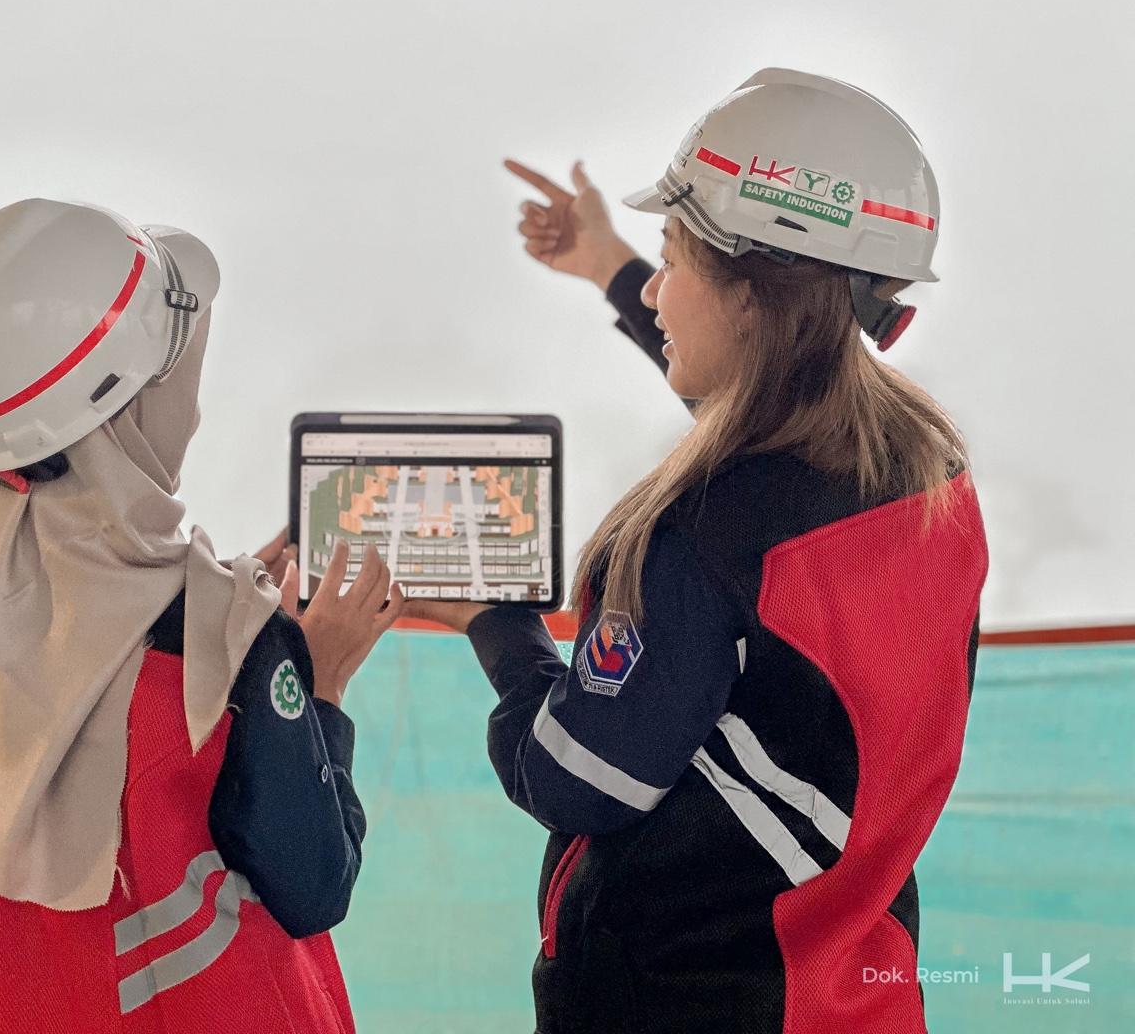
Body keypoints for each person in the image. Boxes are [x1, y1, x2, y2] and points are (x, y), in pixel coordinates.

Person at [405, 68, 989, 1033]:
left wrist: (493, 624)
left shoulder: (700, 538)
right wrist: (606, 263)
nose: (657, 290)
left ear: (751, 298)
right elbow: (765, 408)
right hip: (851, 988)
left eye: (671, 259)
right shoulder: (927, 478)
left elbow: (577, 778)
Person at [0, 198, 401, 1033]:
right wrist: (318, 683)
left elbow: (80, 649)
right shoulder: (231, 652)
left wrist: (222, 616)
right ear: (134, 406)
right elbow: (316, 884)